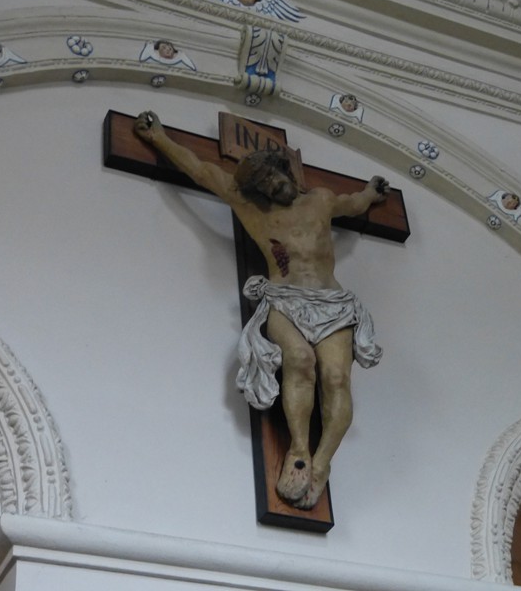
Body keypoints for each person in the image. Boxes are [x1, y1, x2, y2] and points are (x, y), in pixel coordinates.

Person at [134, 111, 386, 509]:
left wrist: (371, 193)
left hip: (333, 303)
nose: (273, 186)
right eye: (265, 184)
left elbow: (352, 204)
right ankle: (298, 450)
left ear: (286, 170)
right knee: (299, 360)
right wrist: (159, 138)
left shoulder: (320, 200)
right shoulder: (250, 208)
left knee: (337, 376)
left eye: (275, 176)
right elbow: (201, 171)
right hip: (284, 298)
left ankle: (321, 463)